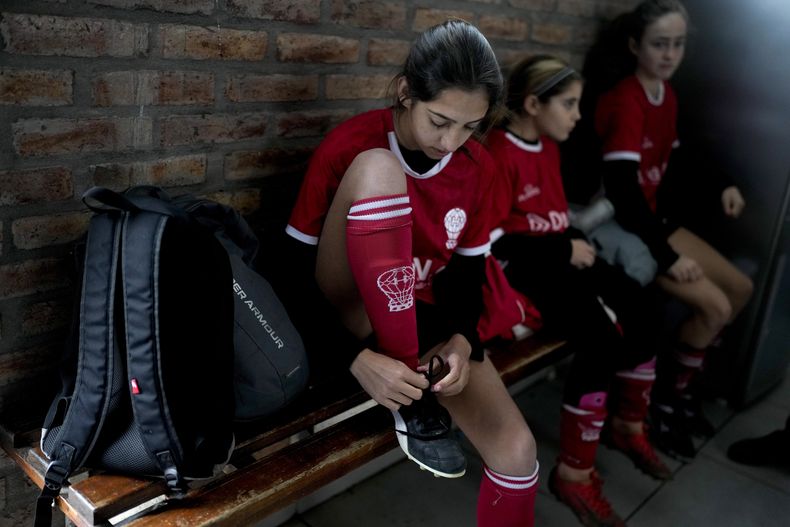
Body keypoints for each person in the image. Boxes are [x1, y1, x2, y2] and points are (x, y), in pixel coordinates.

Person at [282, 20, 538, 526]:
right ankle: (409, 403)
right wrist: (358, 359)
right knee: (378, 166)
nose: (452, 141)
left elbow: (468, 274)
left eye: (470, 126)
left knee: (518, 448)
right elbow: (289, 277)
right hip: (344, 320)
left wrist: (463, 340)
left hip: (421, 319)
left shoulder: (478, 166)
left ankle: (414, 389)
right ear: (405, 93)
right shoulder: (350, 144)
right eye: (440, 120)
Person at [487, 54, 669, 527]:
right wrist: (563, 252)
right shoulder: (499, 154)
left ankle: (629, 425)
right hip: (523, 272)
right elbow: (491, 245)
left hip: (558, 260)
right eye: (568, 104)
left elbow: (554, 222)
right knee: (602, 338)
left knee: (643, 302)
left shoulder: (547, 147)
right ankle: (573, 474)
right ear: (532, 104)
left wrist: (572, 243)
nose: (577, 115)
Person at [591, 0, 753, 459]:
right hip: (625, 230)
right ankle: (662, 403)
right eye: (659, 44)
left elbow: (682, 157)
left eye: (678, 44)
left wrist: (723, 183)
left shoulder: (667, 94)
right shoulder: (625, 99)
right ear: (634, 45)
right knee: (716, 307)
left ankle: (677, 394)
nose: (669, 54)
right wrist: (668, 255)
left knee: (740, 289)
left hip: (655, 220)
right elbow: (623, 193)